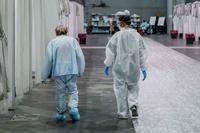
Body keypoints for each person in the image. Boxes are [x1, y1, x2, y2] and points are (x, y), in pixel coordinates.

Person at [103, 16, 148, 119]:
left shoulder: (117, 36)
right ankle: (133, 105)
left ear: (122, 23)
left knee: (120, 89)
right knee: (133, 87)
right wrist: (143, 67)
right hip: (133, 68)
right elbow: (142, 52)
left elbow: (111, 51)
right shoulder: (137, 35)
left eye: (119, 22)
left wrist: (107, 64)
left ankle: (122, 113)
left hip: (119, 67)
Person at [41, 25, 85, 122]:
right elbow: (80, 56)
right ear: (66, 31)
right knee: (73, 90)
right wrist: (80, 70)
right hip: (72, 70)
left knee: (60, 92)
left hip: (58, 71)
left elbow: (49, 59)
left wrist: (44, 75)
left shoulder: (52, 42)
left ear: (56, 32)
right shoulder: (73, 41)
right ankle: (73, 108)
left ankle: (60, 113)